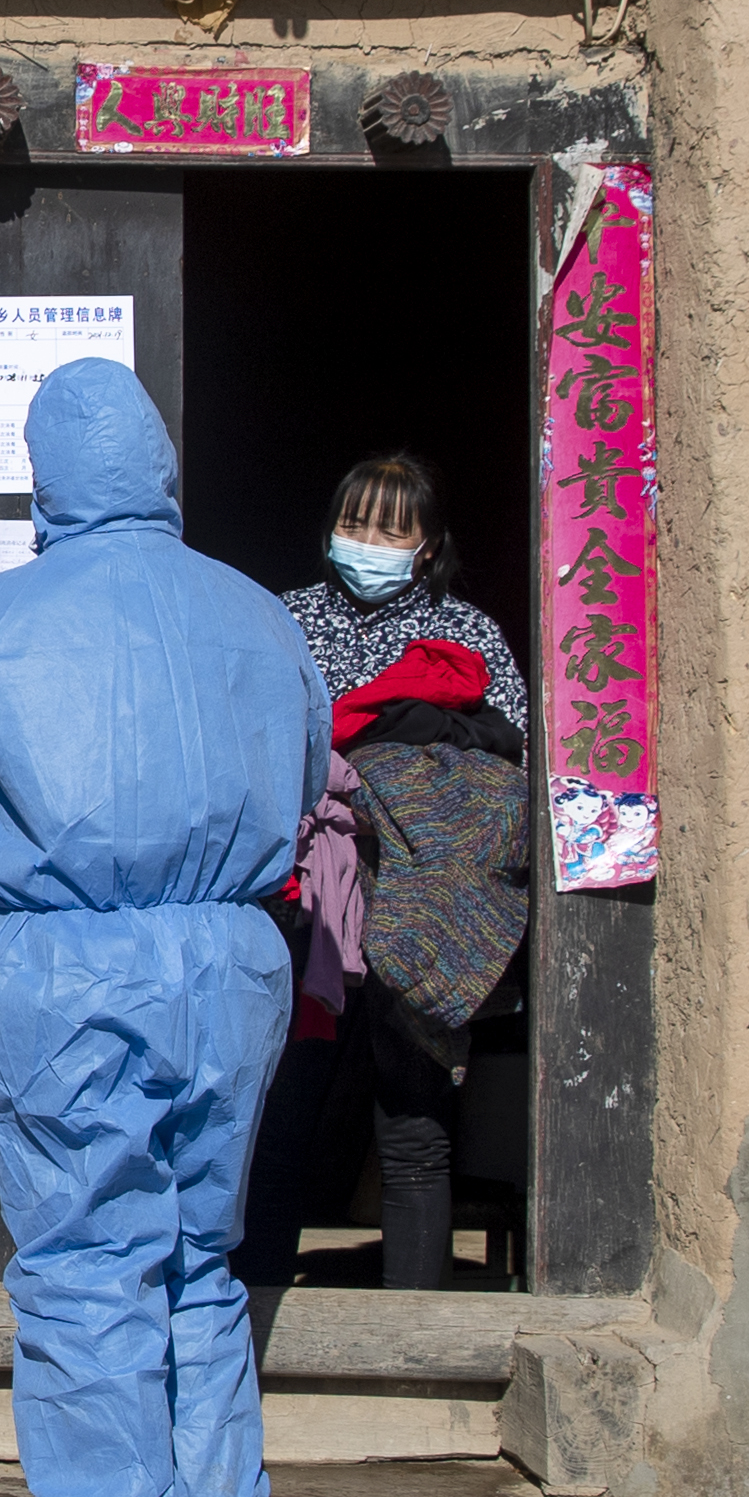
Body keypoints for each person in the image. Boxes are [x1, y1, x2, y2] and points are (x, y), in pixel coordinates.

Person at [0, 358, 330, 1497]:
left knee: (88, 1247)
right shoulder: (260, 617)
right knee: (197, 1240)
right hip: (231, 964)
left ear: (45, 477)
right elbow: (306, 775)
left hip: (71, 972)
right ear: (158, 470)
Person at [237, 455, 531, 1293]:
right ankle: (257, 1311)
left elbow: (511, 779)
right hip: (303, 907)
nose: (368, 542)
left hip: (426, 908)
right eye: (355, 523)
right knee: (284, 1107)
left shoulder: (467, 635)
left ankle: (418, 1334)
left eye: (391, 528)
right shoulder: (283, 621)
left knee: (413, 1124)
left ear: (427, 543)